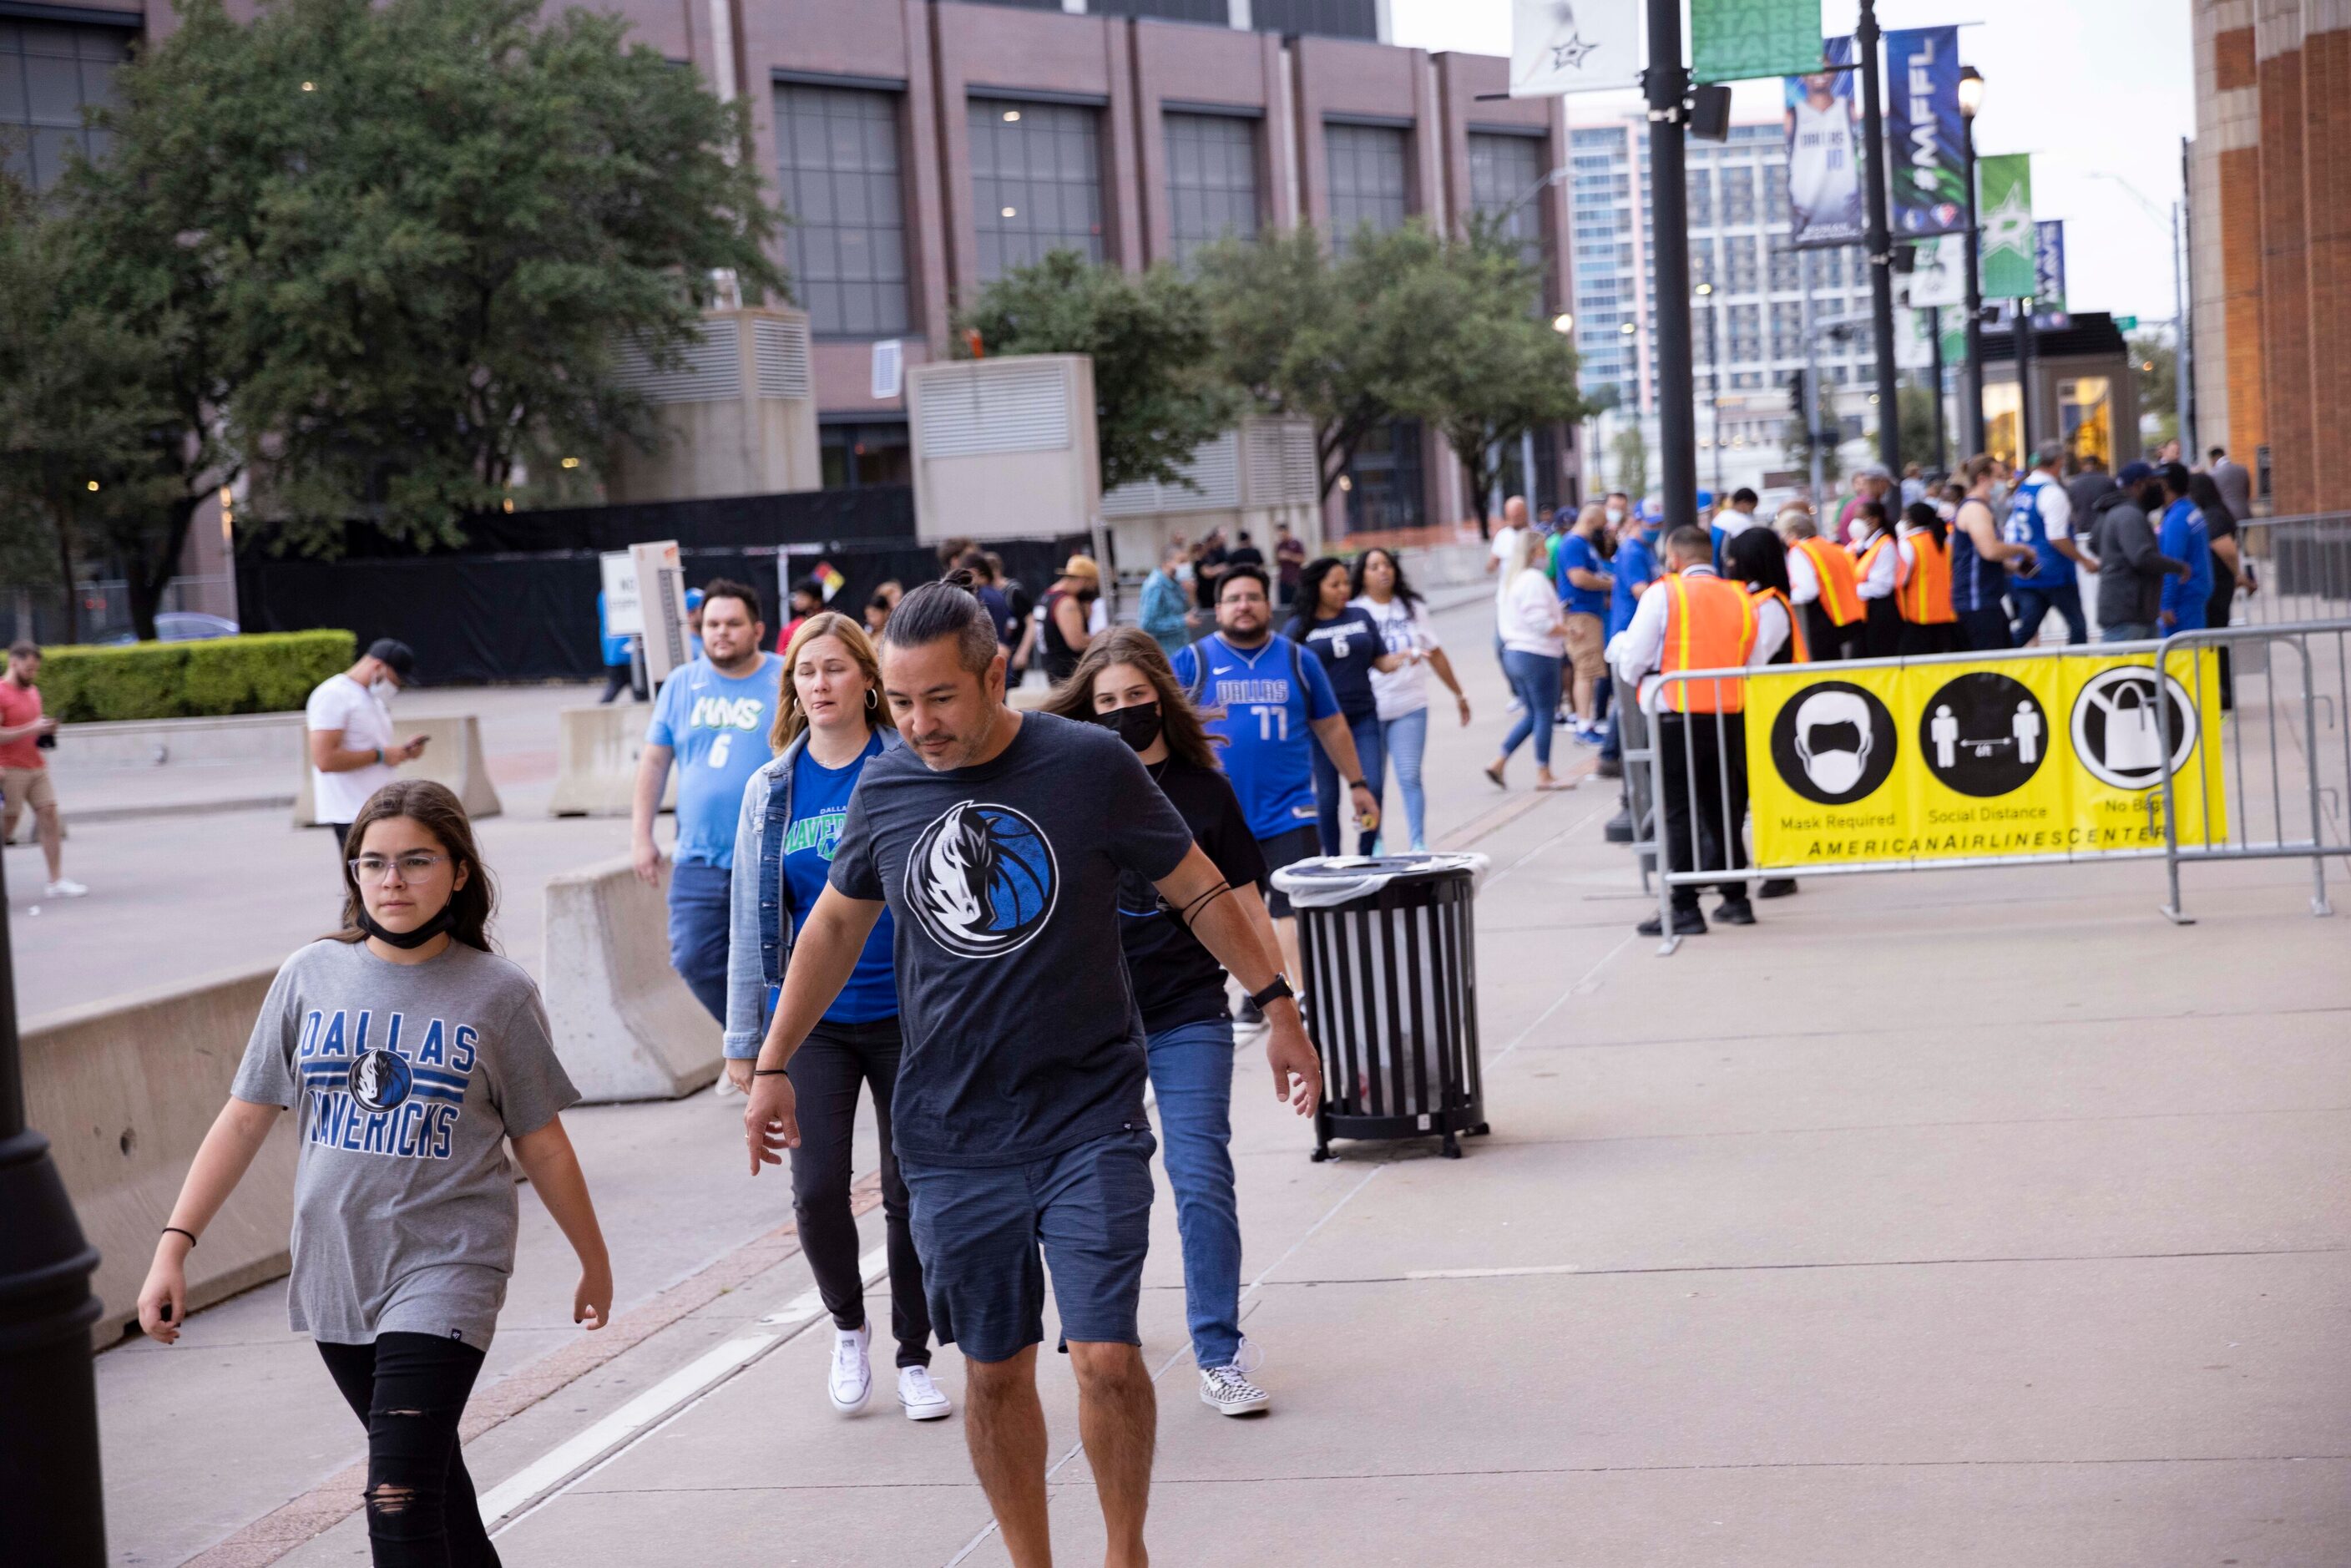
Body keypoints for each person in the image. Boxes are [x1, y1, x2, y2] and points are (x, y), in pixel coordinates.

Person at [743, 579, 1322, 1568]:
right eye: (902, 700)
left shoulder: (1086, 765)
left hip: (1086, 1111)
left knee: (1103, 1354)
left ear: (995, 674)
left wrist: (1278, 1006)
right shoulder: (885, 786)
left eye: (939, 699)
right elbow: (836, 923)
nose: (918, 724)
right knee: (996, 1371)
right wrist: (770, 1061)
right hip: (952, 1132)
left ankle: (1124, 1550)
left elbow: (1198, 887)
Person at [137, 780, 611, 1566]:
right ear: (354, 873)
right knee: (435, 1490)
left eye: (416, 861)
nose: (392, 881)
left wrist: (592, 1261)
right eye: (373, 863)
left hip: (449, 1264)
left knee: (397, 1499)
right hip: (336, 1268)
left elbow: (544, 1142)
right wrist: (173, 1245)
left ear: (459, 872)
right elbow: (245, 1116)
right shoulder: (309, 975)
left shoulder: (499, 994)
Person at [1043, 628, 1287, 1415]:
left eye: (1136, 701)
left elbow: (1246, 902)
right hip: (1090, 1023)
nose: (1123, 715)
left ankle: (1218, 1350)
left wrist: (1281, 1002)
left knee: (1201, 1174)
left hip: (1186, 1013)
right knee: (1094, 1190)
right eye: (1106, 703)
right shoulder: (1071, 787)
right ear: (1086, 709)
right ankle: (1096, 1335)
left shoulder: (1203, 792)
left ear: (1162, 700)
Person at [721, 611, 945, 1421]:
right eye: (804, 673)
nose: (818, 684)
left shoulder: (905, 767)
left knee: (908, 1191)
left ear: (867, 679)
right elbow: (752, 921)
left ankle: (914, 1353)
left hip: (907, 1014)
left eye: (833, 669)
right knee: (816, 1191)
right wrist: (749, 1046)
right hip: (812, 1022)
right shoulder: (771, 790)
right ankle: (846, 1325)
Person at [1173, 565, 1378, 1009]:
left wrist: (1358, 784)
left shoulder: (1297, 659)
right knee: (1243, 915)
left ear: (1269, 605)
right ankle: (1262, 994)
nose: (1243, 605)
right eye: (1234, 598)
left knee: (1290, 906)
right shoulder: (1192, 662)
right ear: (1218, 609)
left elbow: (1333, 726)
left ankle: (1295, 998)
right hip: (1221, 816)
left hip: (1290, 807)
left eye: (1252, 597)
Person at [1610, 527, 1785, 936]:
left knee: (1677, 812)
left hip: (1675, 715)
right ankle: (1736, 899)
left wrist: (1642, 678)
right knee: (1723, 809)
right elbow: (1754, 659)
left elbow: (1633, 659)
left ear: (1673, 556)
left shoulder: (1663, 593)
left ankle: (1685, 907)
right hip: (1728, 714)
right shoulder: (1741, 597)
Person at [631, 580, 783, 1024]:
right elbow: (655, 763)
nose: (720, 632)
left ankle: (781, 1053)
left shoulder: (785, 678)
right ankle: (751, 1043)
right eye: (712, 624)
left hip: (769, 853)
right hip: (699, 855)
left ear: (757, 629)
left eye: (733, 623)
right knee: (694, 958)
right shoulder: (681, 683)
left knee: (777, 966)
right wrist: (641, 836)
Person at [1352, 548, 1468, 853]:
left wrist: (1458, 693)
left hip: (1410, 705)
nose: (1382, 571)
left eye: (1387, 565)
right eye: (1374, 566)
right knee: (1369, 785)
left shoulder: (1412, 608)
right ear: (1362, 574)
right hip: (1367, 711)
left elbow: (1437, 653)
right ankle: (1371, 842)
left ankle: (1418, 843)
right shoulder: (1354, 611)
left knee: (1410, 776)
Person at [1283, 558, 1398, 857]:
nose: (1343, 589)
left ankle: (1366, 854)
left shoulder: (1361, 616)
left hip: (1363, 719)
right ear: (1317, 587)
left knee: (1373, 788)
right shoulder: (1298, 628)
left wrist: (1401, 659)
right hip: (1321, 728)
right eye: (1334, 585)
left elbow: (1381, 661)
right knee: (1328, 798)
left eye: (1346, 583)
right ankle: (1332, 859)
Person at [1722, 529, 1802, 901]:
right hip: (1748, 709)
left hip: (1765, 711)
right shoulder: (1756, 600)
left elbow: (1753, 658)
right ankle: (1726, 864)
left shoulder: (1769, 605)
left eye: (1735, 558)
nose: (1729, 565)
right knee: (1736, 792)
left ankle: (1779, 868)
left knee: (1761, 792)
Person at [307, 639, 427, 863]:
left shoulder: (372, 699)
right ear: (378, 667)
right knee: (366, 887)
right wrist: (381, 755)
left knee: (378, 886)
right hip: (351, 811)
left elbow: (374, 749)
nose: (396, 687)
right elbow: (325, 759)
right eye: (395, 679)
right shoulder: (333, 695)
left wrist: (402, 752)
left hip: (378, 808)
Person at [1485, 526, 1568, 792]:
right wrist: (1568, 630)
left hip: (1515, 653)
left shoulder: (1513, 580)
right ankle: (1543, 772)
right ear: (1534, 551)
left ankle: (1499, 760)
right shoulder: (1533, 579)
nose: (1547, 555)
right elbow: (1540, 621)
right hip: (1537, 654)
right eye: (1544, 549)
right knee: (1544, 713)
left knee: (1533, 714)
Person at [0, 641, 83, 898]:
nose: (32, 674)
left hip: (36, 765)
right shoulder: (1, 692)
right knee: (8, 823)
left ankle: (55, 880)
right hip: (9, 768)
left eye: (35, 669)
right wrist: (32, 728)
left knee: (49, 814)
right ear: (14, 663)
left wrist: (45, 730)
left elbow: (32, 726)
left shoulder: (33, 692)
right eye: (28, 669)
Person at [2085, 462, 2190, 643]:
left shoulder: (2119, 512)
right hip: (2128, 613)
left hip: (2135, 612)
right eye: (2153, 482)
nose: (2160, 488)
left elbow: (2095, 543)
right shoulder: (2129, 515)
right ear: (2138, 485)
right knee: (2120, 669)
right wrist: (2179, 567)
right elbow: (2142, 557)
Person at [1949, 454, 2038, 651]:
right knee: (1990, 669)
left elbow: (1981, 555)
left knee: (2000, 661)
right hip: (1977, 602)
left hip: (1985, 600)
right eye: (1999, 476)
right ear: (1982, 478)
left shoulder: (1980, 508)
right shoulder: (1975, 509)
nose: (2004, 482)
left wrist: (2014, 566)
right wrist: (2021, 549)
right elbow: (1990, 550)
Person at [2005, 441, 2089, 646]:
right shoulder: (2052, 493)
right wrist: (2084, 560)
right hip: (2055, 572)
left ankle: (1996, 667)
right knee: (2078, 626)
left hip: (2029, 570)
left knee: (2027, 628)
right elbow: (2057, 537)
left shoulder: (2023, 489)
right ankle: (2076, 669)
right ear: (2059, 462)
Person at [1555, 503, 1615, 744]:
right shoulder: (1573, 544)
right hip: (1581, 613)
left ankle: (1586, 722)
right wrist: (1609, 584)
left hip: (1589, 612)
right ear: (1591, 521)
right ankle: (1584, 724)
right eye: (1600, 526)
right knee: (1585, 669)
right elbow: (1578, 577)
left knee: (1588, 670)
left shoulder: (1582, 545)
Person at [1780, 510, 1864, 661]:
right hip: (1849, 618)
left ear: (1791, 533)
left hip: (1822, 621)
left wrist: (1784, 597)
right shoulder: (1833, 547)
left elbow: (1807, 591)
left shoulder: (1800, 550)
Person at [1019, 554, 1100, 686]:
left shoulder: (1046, 597)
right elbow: (1077, 642)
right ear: (1083, 580)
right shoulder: (1067, 603)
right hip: (1069, 672)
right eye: (1091, 585)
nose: (1091, 591)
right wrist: (1102, 638)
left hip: (1052, 670)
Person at [1894, 500, 1961, 655]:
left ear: (1910, 521)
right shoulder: (1945, 543)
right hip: (1947, 615)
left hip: (1919, 616)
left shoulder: (1908, 544)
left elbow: (1900, 581)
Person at [2157, 462, 2215, 635]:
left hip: (2182, 598)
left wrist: (2166, 604)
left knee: (2181, 654)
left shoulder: (2177, 519)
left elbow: (2171, 562)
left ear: (2165, 484)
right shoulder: (2190, 510)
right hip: (2195, 592)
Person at [1851, 499, 1903, 659]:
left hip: (1880, 613)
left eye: (1859, 518)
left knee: (1879, 657)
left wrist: (1851, 591)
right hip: (1864, 612)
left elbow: (1882, 586)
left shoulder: (1885, 545)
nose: (1854, 523)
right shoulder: (1859, 545)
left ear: (1874, 520)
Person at [1140, 540, 1194, 656]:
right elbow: (1147, 625)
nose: (1186, 565)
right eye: (1182, 561)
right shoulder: (1155, 586)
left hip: (1181, 649)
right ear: (1167, 562)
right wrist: (1182, 621)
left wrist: (1190, 593)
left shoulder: (1176, 582)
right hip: (1166, 654)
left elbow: (1185, 610)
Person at [595, 589, 635, 703]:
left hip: (612, 653)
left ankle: (600, 714)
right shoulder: (630, 593)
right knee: (641, 691)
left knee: (616, 685)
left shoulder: (604, 594)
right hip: (630, 652)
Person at [776, 578, 825, 655]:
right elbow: (781, 658)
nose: (798, 601)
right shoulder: (789, 629)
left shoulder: (830, 624)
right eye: (797, 596)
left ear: (817, 602)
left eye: (803, 597)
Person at [2210, 445, 2253, 524]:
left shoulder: (2213, 474)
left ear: (2213, 459)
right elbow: (2247, 493)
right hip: (2244, 513)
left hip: (2225, 516)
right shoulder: (2242, 470)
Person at [1273, 523, 1307, 609]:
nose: (1282, 536)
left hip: (1295, 580)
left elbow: (1302, 559)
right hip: (1284, 580)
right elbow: (1277, 562)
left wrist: (1289, 556)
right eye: (1279, 535)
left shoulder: (1296, 543)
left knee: (1298, 604)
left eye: (1283, 534)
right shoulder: (1280, 545)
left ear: (1287, 532)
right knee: (1284, 606)